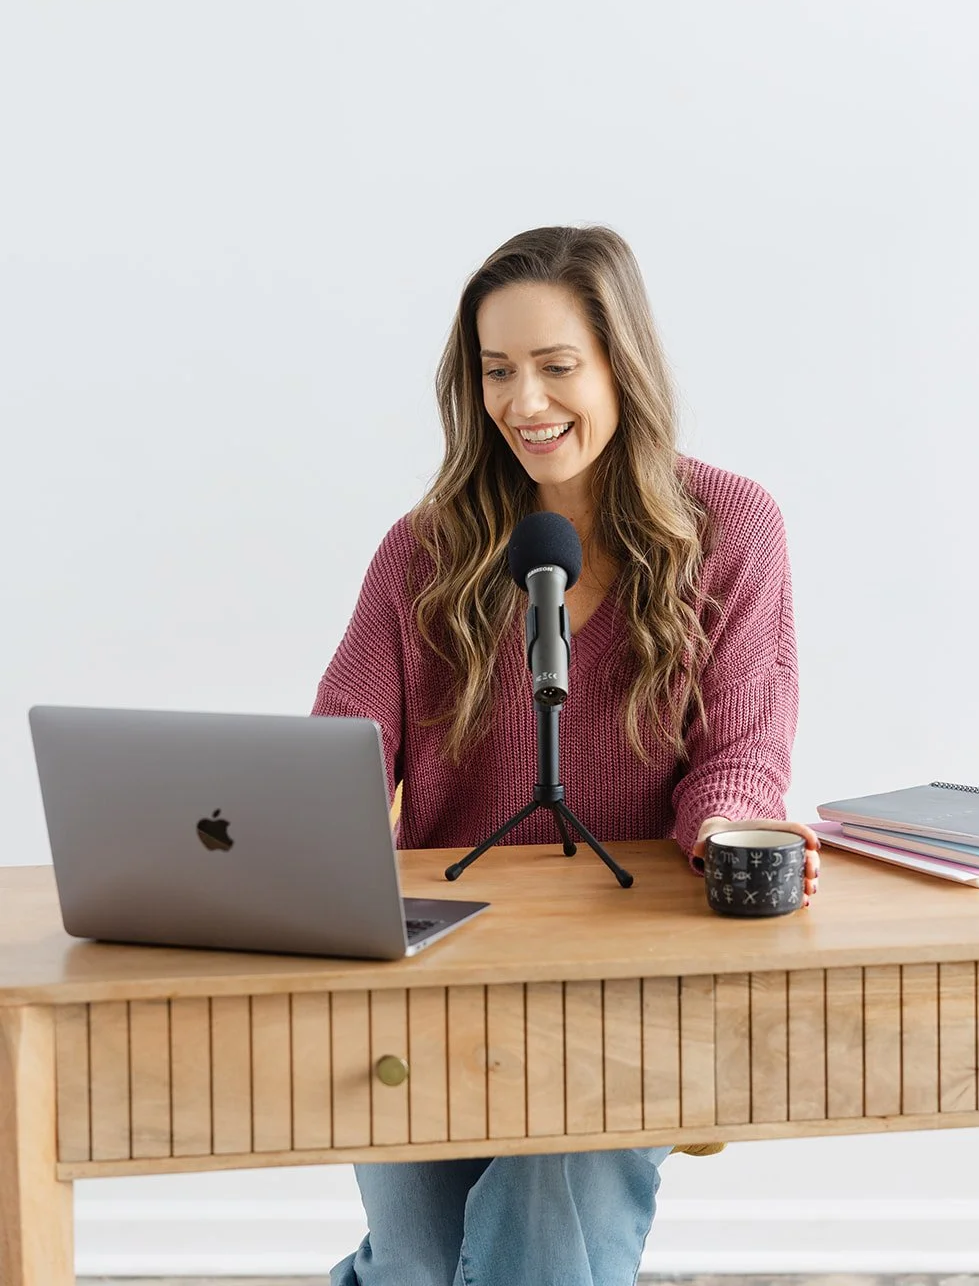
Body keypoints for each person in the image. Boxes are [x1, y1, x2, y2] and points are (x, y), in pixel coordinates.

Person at [313, 224, 819, 1286]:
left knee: (539, 1229)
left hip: (623, 976)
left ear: (619, 364)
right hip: (439, 973)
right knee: (418, 1262)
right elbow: (339, 752)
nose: (525, 403)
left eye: (556, 367)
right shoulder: (427, 547)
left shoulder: (729, 528)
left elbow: (738, 753)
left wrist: (733, 834)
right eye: (498, 371)